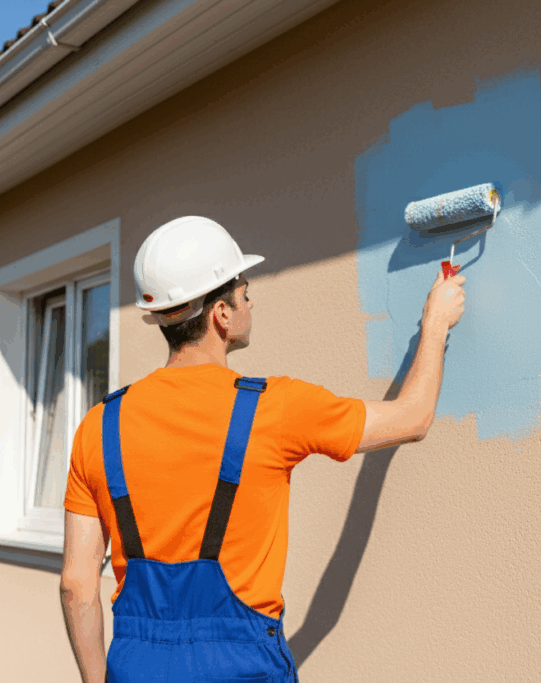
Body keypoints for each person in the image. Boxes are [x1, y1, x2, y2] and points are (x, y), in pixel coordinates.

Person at [59, 216, 466, 683]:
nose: (251, 300)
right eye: (245, 290)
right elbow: (411, 419)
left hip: (137, 666)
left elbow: (77, 586)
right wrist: (435, 324)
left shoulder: (99, 425)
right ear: (222, 314)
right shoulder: (275, 407)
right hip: (241, 667)